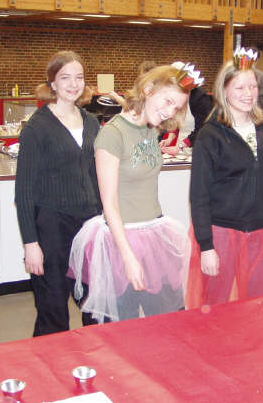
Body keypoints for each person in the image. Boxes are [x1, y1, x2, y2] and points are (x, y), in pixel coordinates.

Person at [70, 64, 202, 322]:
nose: (169, 111)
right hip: (122, 241)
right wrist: (128, 257)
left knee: (168, 319)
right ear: (148, 89)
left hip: (154, 235)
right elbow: (110, 204)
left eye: (176, 107)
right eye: (167, 101)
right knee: (121, 325)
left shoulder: (151, 129)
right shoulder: (112, 134)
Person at [186, 49, 263, 308]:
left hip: (259, 230)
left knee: (256, 303)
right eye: (240, 87)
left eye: (252, 86)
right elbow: (199, 196)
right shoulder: (211, 135)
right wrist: (206, 246)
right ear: (225, 90)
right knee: (217, 303)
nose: (248, 93)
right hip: (222, 233)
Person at [15, 51, 102, 336]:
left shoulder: (91, 122)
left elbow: (95, 175)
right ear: (52, 83)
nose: (73, 84)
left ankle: (98, 364)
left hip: (89, 225)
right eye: (65, 78)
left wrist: (105, 222)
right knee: (53, 309)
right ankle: (50, 370)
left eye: (79, 77)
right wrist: (31, 243)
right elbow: (24, 191)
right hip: (52, 227)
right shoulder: (37, 128)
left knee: (96, 304)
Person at [160, 61, 213, 155]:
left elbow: (203, 128)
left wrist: (181, 146)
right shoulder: (178, 95)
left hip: (197, 150)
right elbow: (178, 122)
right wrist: (169, 139)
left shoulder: (200, 97)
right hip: (180, 148)